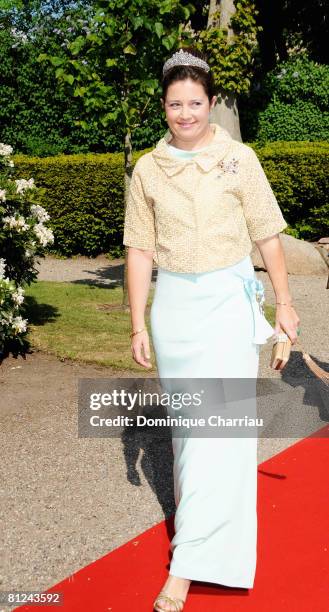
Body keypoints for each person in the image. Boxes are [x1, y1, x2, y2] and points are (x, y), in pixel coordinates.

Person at [123, 47, 300, 612]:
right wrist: (136, 321)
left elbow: (267, 233)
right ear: (164, 106)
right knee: (187, 434)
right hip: (174, 309)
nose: (185, 113)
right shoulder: (147, 169)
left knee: (218, 432)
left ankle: (189, 563)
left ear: (211, 102)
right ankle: (202, 545)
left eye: (194, 102)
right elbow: (139, 249)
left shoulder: (240, 159)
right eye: (175, 104)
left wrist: (285, 303)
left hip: (226, 303)